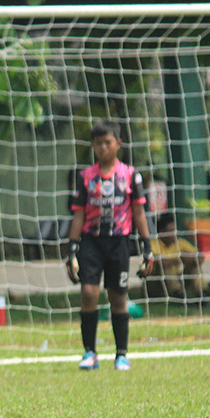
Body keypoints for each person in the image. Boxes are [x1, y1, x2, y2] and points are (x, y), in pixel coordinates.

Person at [65, 120, 153, 371]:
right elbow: (78, 215)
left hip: (119, 243)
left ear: (118, 144)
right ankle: (90, 352)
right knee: (89, 294)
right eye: (98, 143)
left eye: (108, 142)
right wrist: (71, 248)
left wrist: (147, 247)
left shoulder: (130, 175)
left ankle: (121, 354)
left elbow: (139, 213)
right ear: (93, 146)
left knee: (118, 296)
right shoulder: (85, 177)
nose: (103, 147)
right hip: (91, 242)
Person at [150, 213, 205, 300]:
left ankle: (202, 293)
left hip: (177, 280)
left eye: (175, 230)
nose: (174, 234)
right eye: (171, 231)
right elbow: (160, 262)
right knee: (166, 268)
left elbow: (201, 257)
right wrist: (179, 259)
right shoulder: (152, 244)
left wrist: (193, 259)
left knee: (195, 266)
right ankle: (178, 294)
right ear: (162, 232)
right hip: (156, 285)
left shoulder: (179, 242)